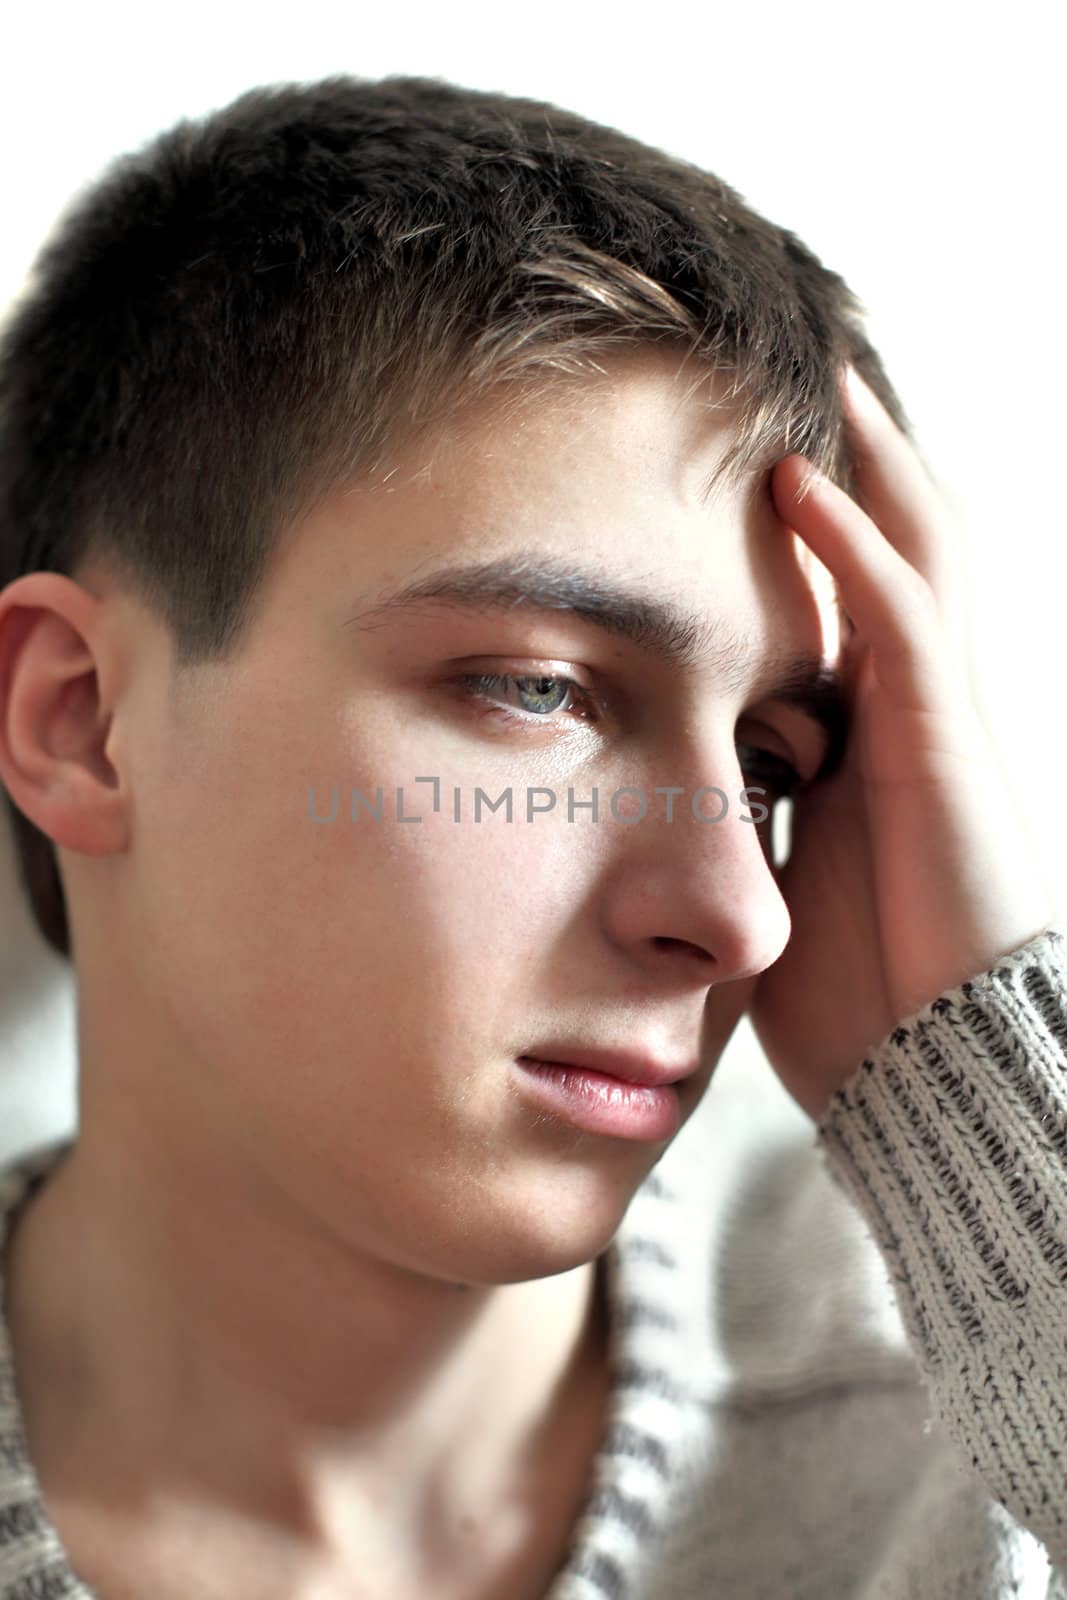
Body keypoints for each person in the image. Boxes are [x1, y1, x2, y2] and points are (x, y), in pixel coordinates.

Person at [0, 73, 1063, 1600]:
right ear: (81, 720)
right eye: (538, 690)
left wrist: (991, 1094)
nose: (739, 916)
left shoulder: (972, 1443)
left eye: (773, 760)